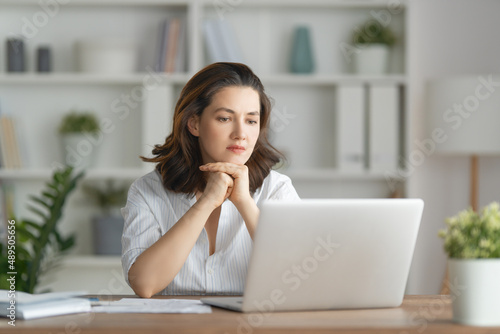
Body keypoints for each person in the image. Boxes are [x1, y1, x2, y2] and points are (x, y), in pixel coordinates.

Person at [121, 62, 300, 298]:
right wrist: (205, 203)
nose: (241, 134)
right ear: (194, 123)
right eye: (225, 118)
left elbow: (299, 277)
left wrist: (245, 203)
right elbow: (145, 285)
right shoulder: (148, 190)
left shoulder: (277, 189)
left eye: (251, 120)